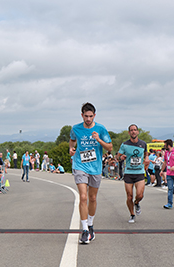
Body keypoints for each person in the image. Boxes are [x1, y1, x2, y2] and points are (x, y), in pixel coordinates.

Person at [69, 102, 112, 244]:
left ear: (94, 115)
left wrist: (98, 139)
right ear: (82, 115)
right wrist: (71, 149)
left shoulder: (101, 128)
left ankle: (91, 225)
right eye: (86, 116)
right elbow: (72, 140)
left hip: (95, 167)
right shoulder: (76, 128)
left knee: (92, 198)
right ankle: (85, 230)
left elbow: (110, 147)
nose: (88, 119)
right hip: (80, 165)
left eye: (90, 116)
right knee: (83, 197)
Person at [116, 124, 148, 223]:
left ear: (137, 132)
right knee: (129, 196)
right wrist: (120, 158)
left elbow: (146, 153)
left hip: (139, 172)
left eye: (135, 130)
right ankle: (132, 214)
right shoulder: (125, 144)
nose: (133, 132)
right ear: (129, 132)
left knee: (140, 195)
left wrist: (146, 158)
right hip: (129, 172)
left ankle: (137, 203)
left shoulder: (143, 144)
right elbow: (118, 156)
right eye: (131, 130)